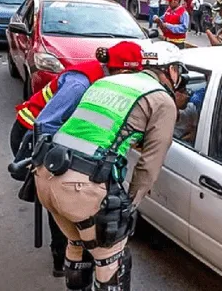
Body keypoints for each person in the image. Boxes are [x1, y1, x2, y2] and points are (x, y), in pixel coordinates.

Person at [33, 42, 181, 291]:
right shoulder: (161, 100)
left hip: (46, 173)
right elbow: (149, 165)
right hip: (82, 187)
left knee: (77, 242)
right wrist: (128, 206)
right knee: (111, 261)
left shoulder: (105, 82)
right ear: (171, 70)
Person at [10, 42, 144, 279]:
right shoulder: (81, 82)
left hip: (54, 137)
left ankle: (72, 254)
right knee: (61, 199)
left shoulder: (105, 80)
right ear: (121, 71)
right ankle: (60, 257)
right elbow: (46, 122)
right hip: (32, 134)